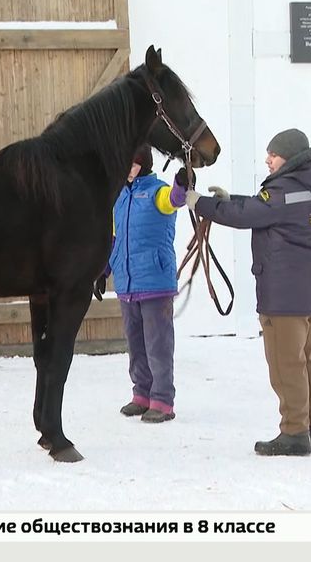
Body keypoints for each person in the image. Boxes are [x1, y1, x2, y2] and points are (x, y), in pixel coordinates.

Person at [185, 129, 311, 456]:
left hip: (286, 296)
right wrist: (228, 200)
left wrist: (201, 204)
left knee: (286, 364)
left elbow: (250, 215)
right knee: (307, 358)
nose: (268, 159)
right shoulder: (309, 184)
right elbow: (262, 208)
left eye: (274, 155)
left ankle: (294, 434)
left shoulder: (286, 190)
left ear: (291, 158)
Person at [97, 144, 191, 423]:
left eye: (132, 163)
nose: (127, 168)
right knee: (135, 343)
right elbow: (114, 240)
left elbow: (174, 199)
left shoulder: (157, 191)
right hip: (126, 283)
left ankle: (162, 400)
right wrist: (103, 271)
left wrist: (181, 183)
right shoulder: (118, 197)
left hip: (154, 280)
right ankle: (142, 393)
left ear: (143, 164)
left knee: (158, 344)